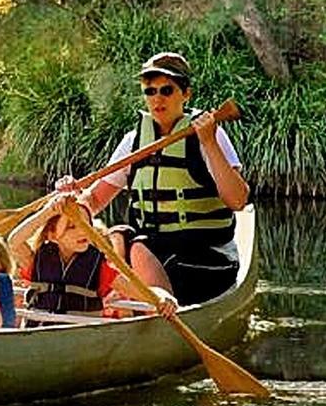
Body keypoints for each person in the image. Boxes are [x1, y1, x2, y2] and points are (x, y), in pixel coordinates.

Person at [57, 52, 249, 304]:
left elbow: (238, 200)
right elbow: (93, 200)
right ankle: (122, 305)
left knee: (136, 246)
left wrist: (209, 142)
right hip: (151, 251)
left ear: (186, 94)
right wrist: (72, 199)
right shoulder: (133, 142)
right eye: (150, 91)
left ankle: (151, 308)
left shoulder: (209, 134)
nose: (157, 98)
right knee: (117, 238)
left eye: (167, 90)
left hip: (204, 258)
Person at [9, 195, 177, 320]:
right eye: (71, 226)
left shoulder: (98, 267)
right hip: (40, 334)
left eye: (86, 225)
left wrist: (163, 297)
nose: (82, 231)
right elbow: (13, 242)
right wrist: (47, 212)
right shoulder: (36, 261)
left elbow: (143, 292)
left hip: (80, 337)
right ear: (52, 235)